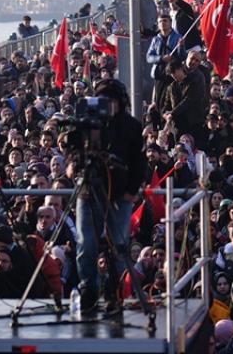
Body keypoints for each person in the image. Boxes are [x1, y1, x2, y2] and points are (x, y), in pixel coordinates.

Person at [72, 77, 145, 315]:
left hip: (120, 196)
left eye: (112, 100)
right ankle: (88, 291)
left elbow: (139, 162)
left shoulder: (132, 126)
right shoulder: (88, 123)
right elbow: (75, 151)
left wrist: (131, 191)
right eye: (104, 100)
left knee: (119, 246)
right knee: (87, 244)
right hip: (88, 192)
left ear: (121, 102)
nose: (108, 105)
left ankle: (115, 293)